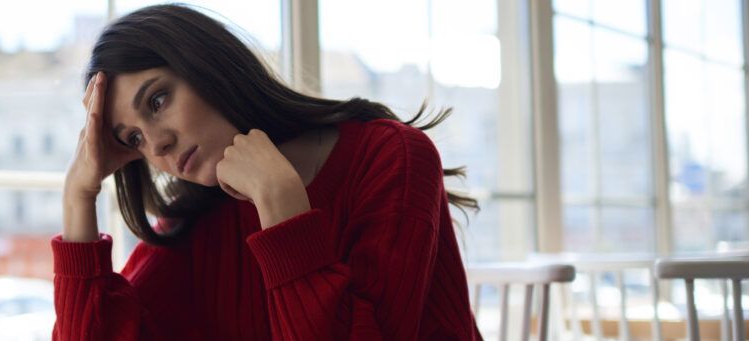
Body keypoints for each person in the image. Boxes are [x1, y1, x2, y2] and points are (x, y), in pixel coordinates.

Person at [53, 4, 482, 340]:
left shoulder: (390, 156)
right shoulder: (199, 219)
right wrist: (77, 197)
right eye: (133, 139)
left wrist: (282, 211)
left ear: (208, 66)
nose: (156, 145)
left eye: (158, 100)